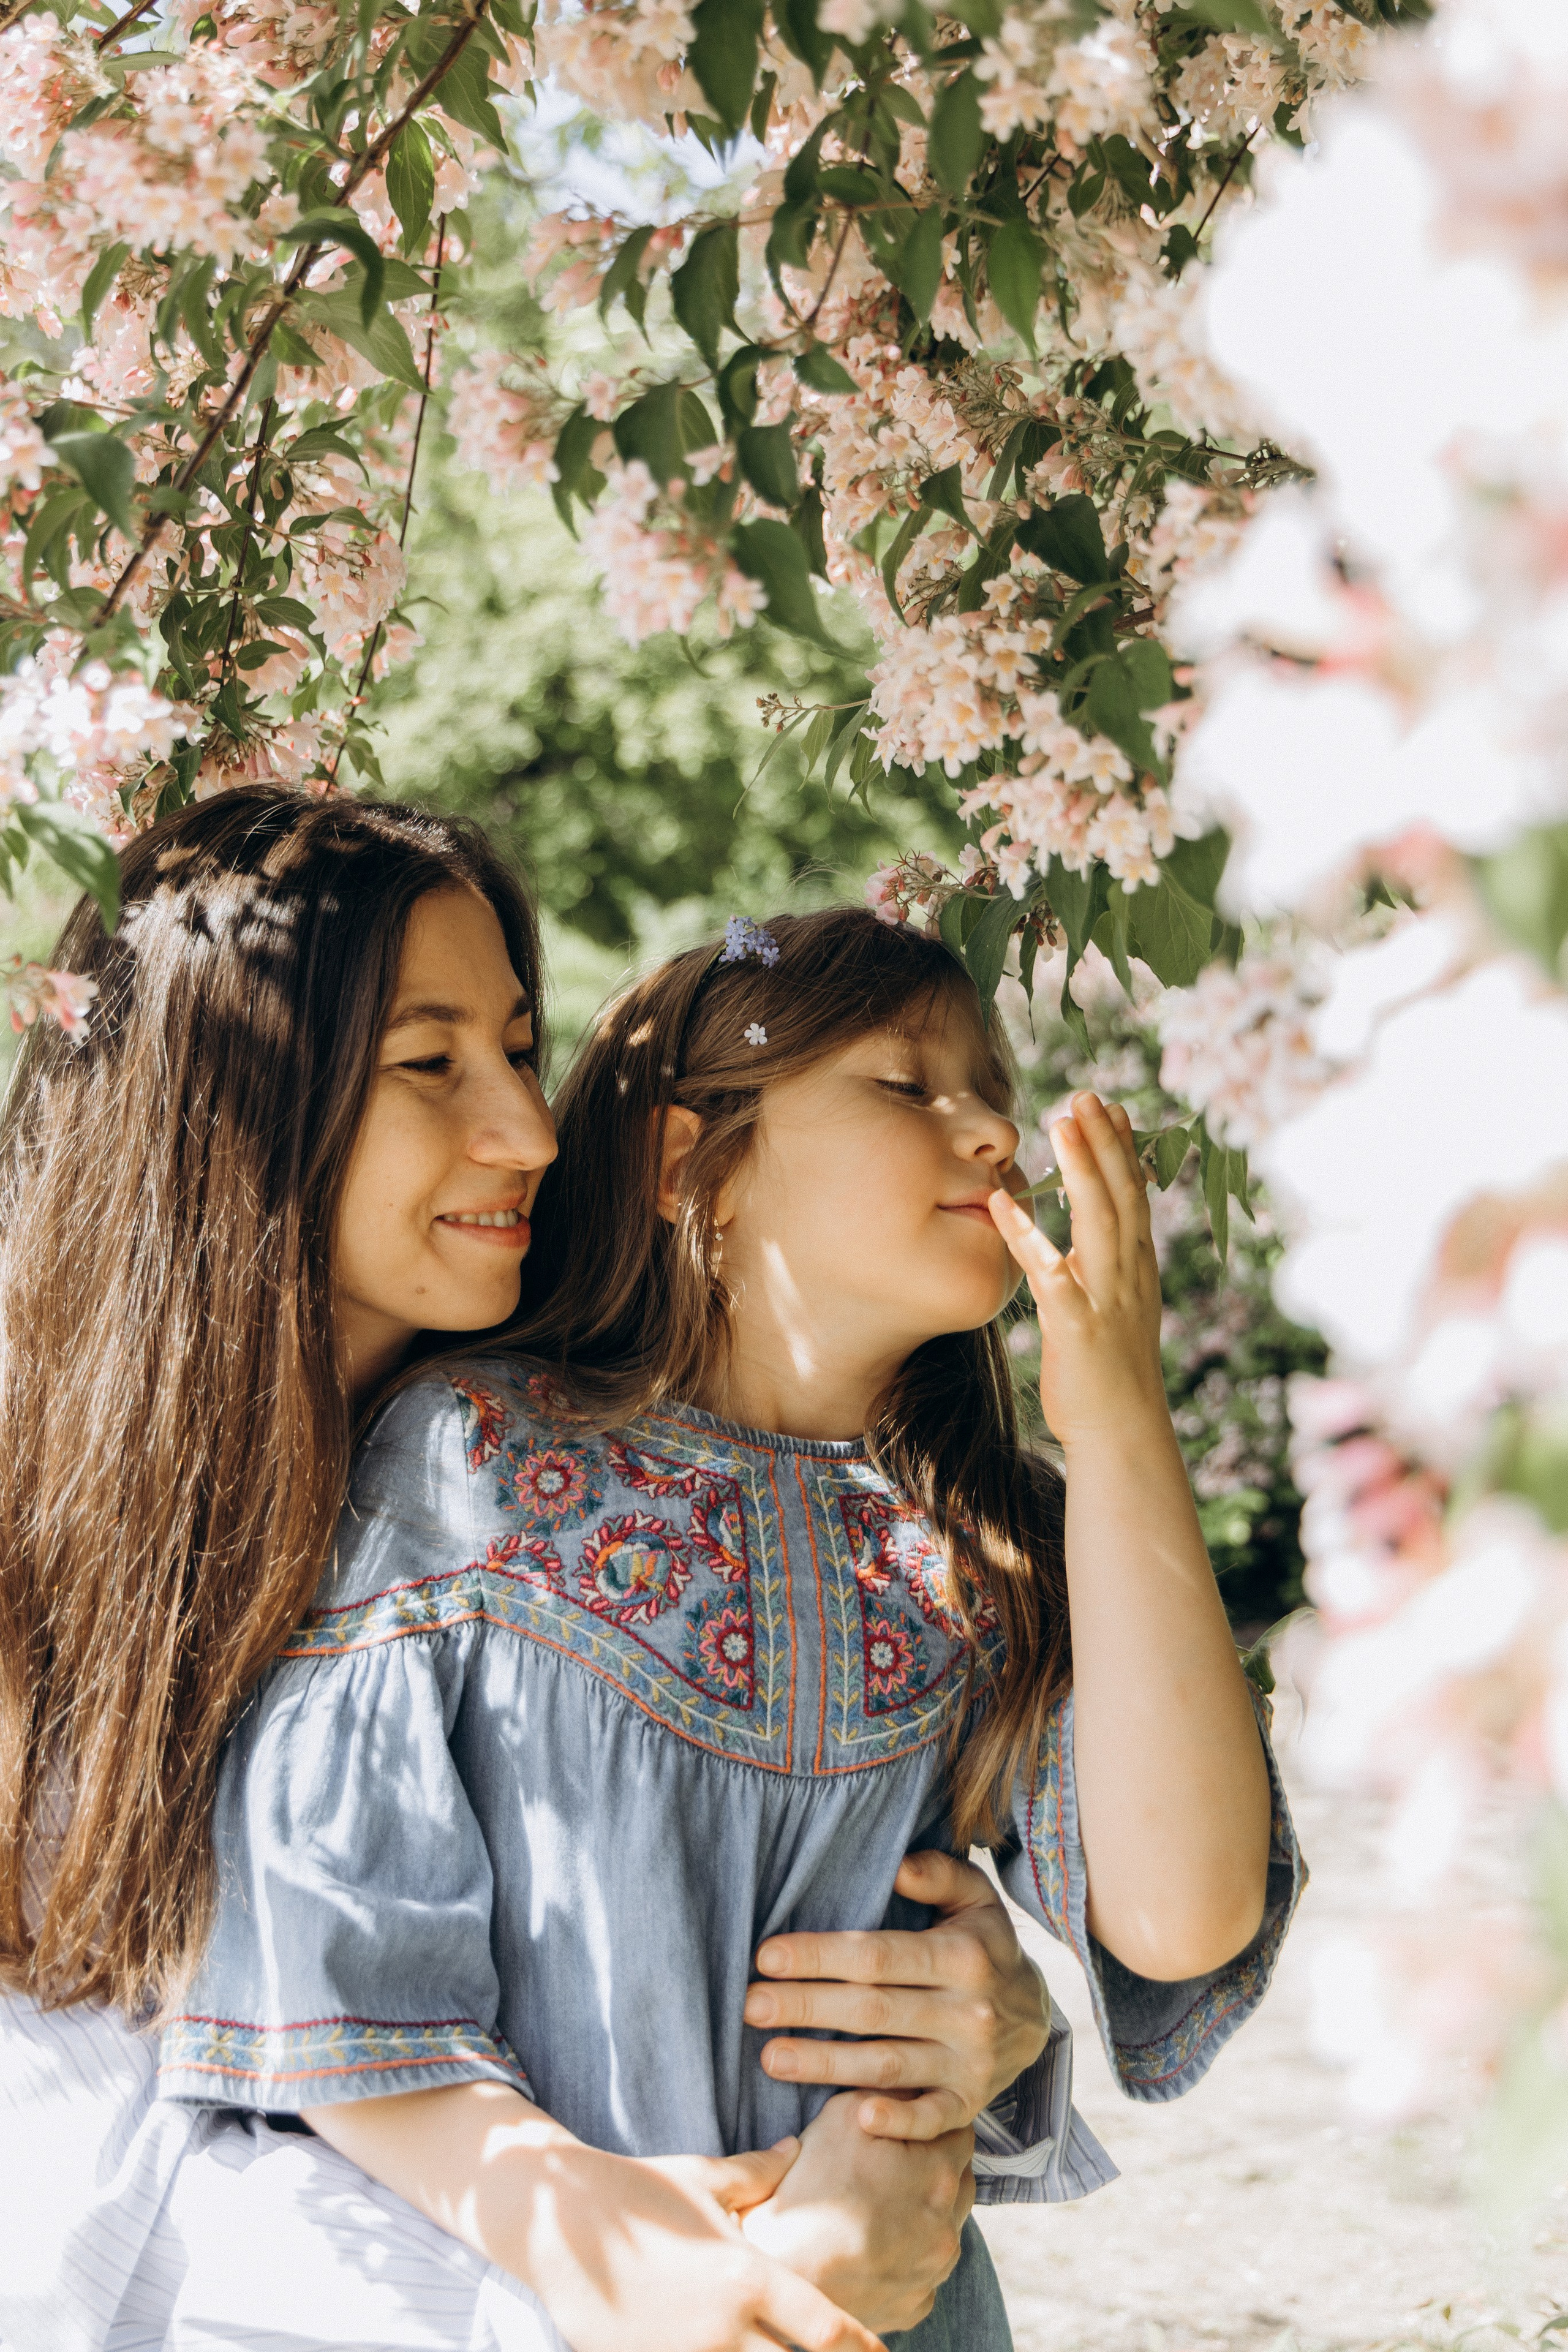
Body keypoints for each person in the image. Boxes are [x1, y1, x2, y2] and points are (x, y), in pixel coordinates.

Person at [162, 907, 1306, 2351]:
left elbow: (1183, 1915)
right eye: (905, 1086)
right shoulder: (467, 1461)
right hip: (539, 2303)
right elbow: (336, 1970)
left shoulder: (997, 1542)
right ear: (688, 1167)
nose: (990, 1134)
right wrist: (646, 2263)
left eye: (992, 1094)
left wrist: (1123, 1420)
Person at [0, 810, 1044, 2352]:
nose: (530, 1129)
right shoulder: (39, 1538)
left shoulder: (535, 1492)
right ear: (225, 1102)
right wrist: (615, 2276)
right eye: (429, 1063)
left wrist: (968, 2024)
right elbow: (57, 2186)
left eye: (514, 1046)